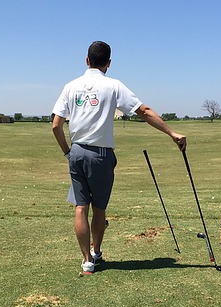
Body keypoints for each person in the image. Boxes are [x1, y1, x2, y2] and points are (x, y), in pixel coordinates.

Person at [52, 41, 186, 275]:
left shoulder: (70, 86)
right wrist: (172, 133)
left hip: (77, 152)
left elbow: (56, 125)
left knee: (80, 207)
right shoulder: (113, 85)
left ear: (86, 60)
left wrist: (67, 151)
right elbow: (143, 111)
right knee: (99, 208)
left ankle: (86, 261)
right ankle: (96, 251)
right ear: (109, 63)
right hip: (101, 155)